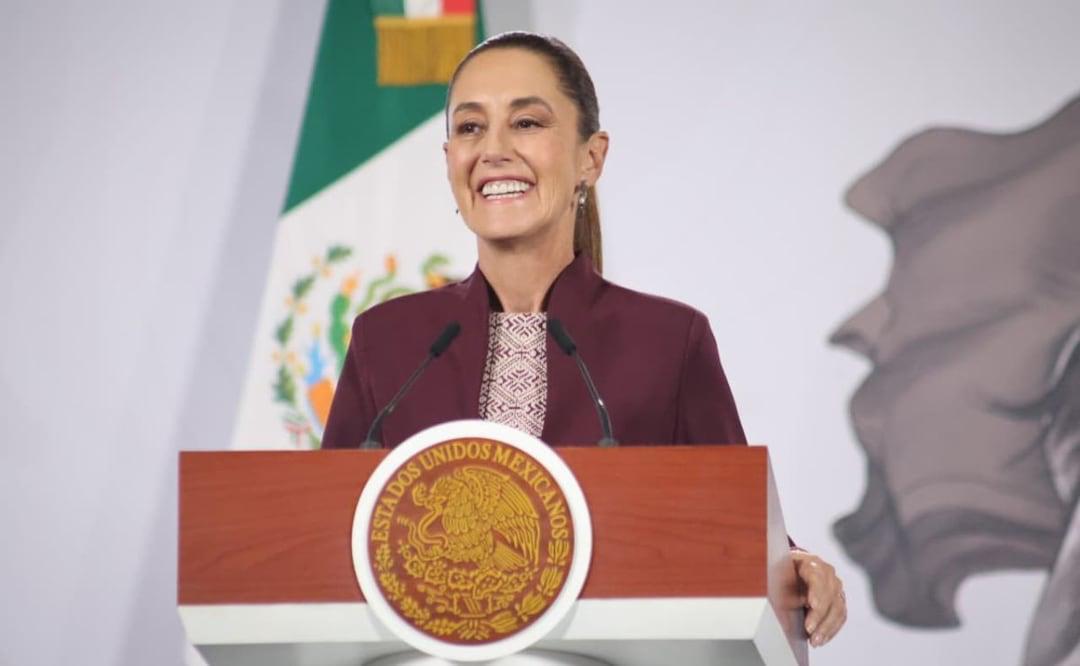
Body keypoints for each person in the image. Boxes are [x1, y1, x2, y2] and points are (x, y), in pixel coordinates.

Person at [322, 31, 846, 648]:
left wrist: (795, 567)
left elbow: (734, 530)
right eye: (470, 128)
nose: (493, 150)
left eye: (526, 122)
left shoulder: (667, 341)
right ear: (448, 160)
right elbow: (324, 542)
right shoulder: (388, 341)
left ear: (591, 159)